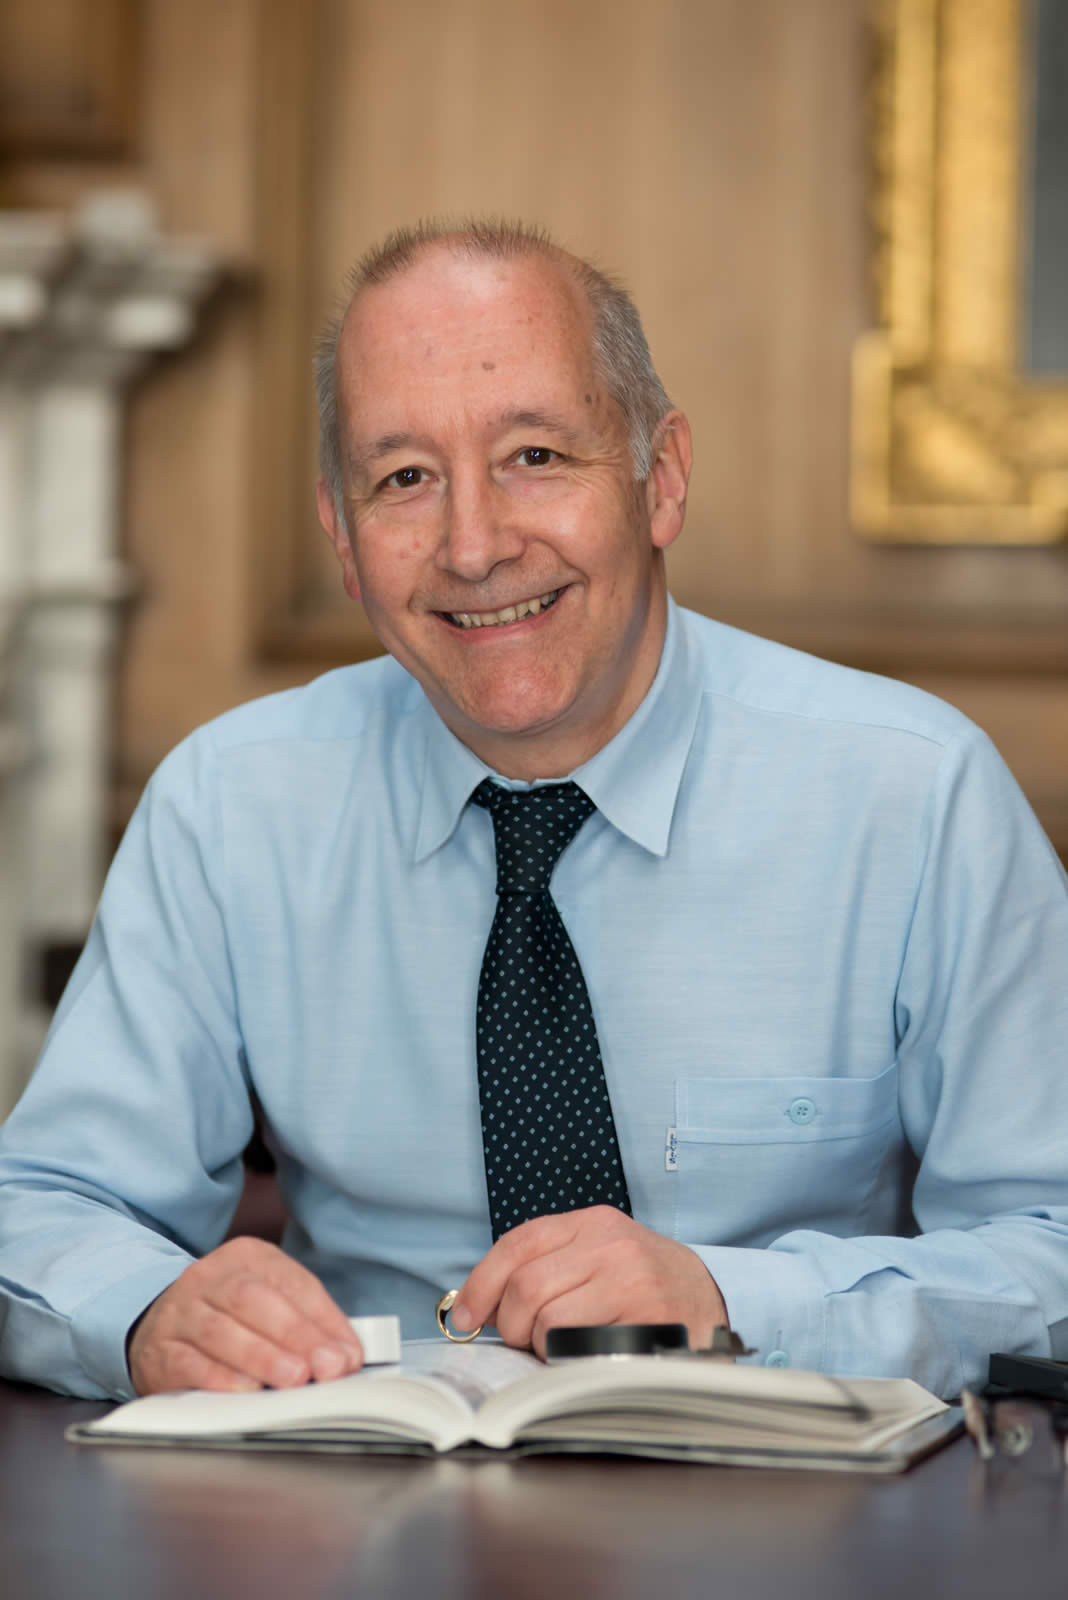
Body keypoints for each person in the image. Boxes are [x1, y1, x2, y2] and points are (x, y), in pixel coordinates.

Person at [1, 220, 1066, 1403]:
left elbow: (1054, 1248)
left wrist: (737, 1302)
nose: (474, 546)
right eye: (405, 479)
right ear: (343, 537)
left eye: (536, 456)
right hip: (357, 1476)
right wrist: (145, 1311)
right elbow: (43, 1207)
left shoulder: (914, 796)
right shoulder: (227, 806)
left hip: (796, 1488)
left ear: (661, 478)